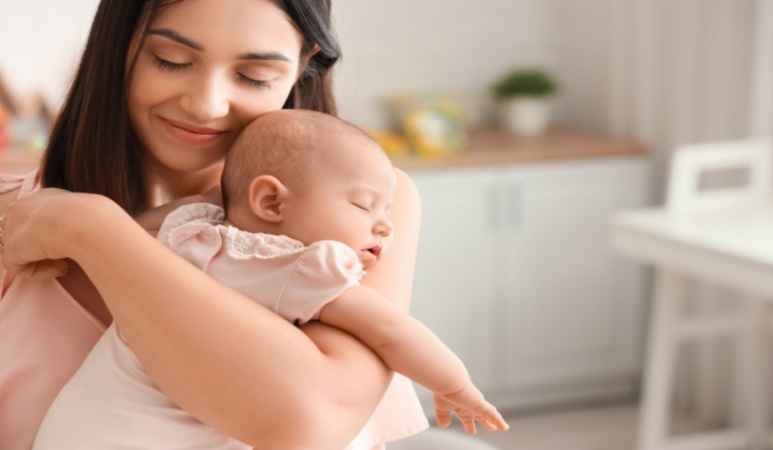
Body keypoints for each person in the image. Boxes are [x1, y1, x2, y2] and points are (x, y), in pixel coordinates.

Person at [0, 1, 469, 449]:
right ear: (117, 47)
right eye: (170, 60)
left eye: (254, 75)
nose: (206, 104)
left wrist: (92, 230)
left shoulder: (363, 209)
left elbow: (306, 421)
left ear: (304, 63)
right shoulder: (12, 213)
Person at [32, 110, 509, 450]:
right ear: (272, 203)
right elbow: (389, 330)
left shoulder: (190, 234)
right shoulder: (291, 266)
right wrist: (455, 385)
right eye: (364, 206)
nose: (384, 226)